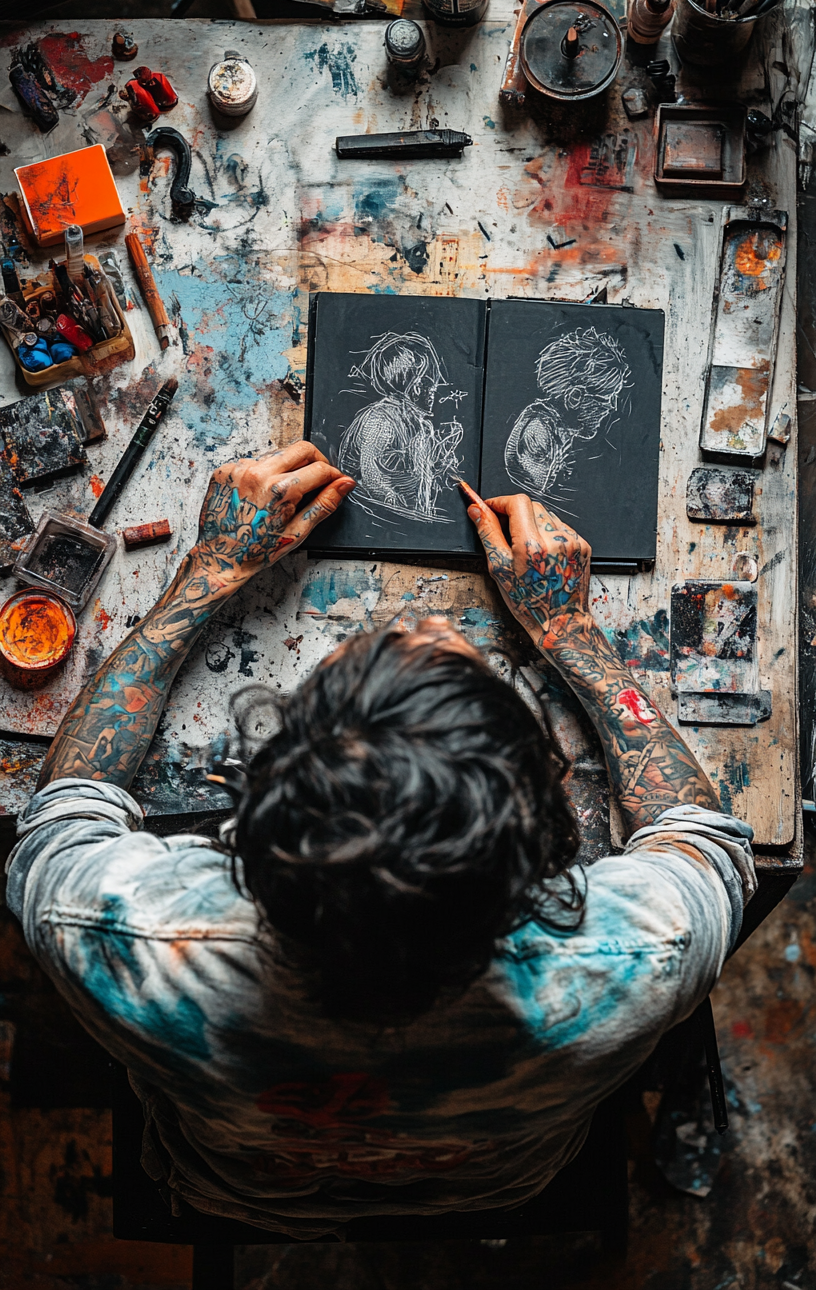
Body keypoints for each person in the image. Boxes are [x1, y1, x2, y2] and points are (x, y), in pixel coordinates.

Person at [6, 442, 755, 1239]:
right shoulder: (645, 953)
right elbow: (698, 836)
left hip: (239, 1191)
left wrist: (211, 572)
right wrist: (568, 626)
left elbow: (67, 811)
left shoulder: (110, 934)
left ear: (252, 808)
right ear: (547, 837)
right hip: (495, 1190)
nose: (427, 621)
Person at [339, 331, 463, 521]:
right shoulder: (380, 420)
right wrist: (400, 510)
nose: (434, 390)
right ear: (411, 386)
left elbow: (417, 472)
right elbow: (372, 477)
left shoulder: (420, 426)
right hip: (379, 520)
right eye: (427, 383)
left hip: (413, 518)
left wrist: (442, 458)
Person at [505, 326, 631, 496]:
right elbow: (532, 496)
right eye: (607, 398)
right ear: (575, 397)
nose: (612, 407)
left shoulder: (559, 430)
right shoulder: (538, 431)